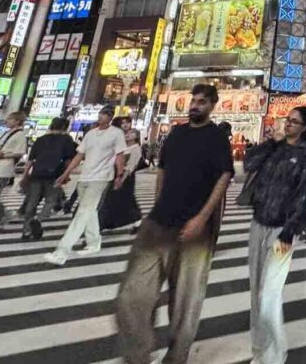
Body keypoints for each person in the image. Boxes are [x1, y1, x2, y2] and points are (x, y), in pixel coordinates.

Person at [116, 84, 233, 364]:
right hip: (159, 222)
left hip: (196, 231)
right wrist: (157, 204)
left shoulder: (217, 137)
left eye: (202, 102)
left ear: (212, 106)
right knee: (131, 297)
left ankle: (176, 358)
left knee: (185, 303)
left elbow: (224, 177)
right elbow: (162, 170)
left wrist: (202, 218)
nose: (195, 105)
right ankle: (137, 357)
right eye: (193, 101)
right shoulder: (177, 133)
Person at [243, 106, 306, 364]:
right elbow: (249, 163)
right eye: (287, 120)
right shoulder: (276, 146)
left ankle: (275, 355)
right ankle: (259, 352)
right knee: (256, 292)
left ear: (305, 127)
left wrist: (289, 232)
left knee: (269, 295)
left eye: (294, 122)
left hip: (282, 232)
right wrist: (270, 142)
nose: (288, 125)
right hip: (258, 224)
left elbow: (305, 196)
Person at [44, 107, 126, 265]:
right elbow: (79, 155)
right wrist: (66, 173)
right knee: (89, 211)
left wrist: (119, 175)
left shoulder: (116, 133)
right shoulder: (91, 133)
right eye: (101, 114)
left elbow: (119, 156)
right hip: (85, 176)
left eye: (105, 114)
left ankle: (61, 251)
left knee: (83, 213)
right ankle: (94, 242)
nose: (101, 116)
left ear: (110, 117)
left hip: (101, 177)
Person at [19, 117, 76, 239]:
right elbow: (68, 159)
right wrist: (66, 175)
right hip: (54, 174)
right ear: (64, 127)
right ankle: (39, 220)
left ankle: (26, 231)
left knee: (32, 202)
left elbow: (30, 160)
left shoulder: (40, 139)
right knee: (50, 201)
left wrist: (24, 176)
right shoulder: (66, 140)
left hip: (37, 173)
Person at [99, 128, 144, 233]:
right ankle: (137, 219)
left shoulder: (136, 148)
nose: (128, 135)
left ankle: (102, 224)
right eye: (127, 133)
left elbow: (131, 166)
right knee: (125, 201)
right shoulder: (122, 147)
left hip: (125, 177)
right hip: (115, 174)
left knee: (117, 200)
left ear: (136, 136)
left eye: (132, 133)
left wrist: (121, 179)